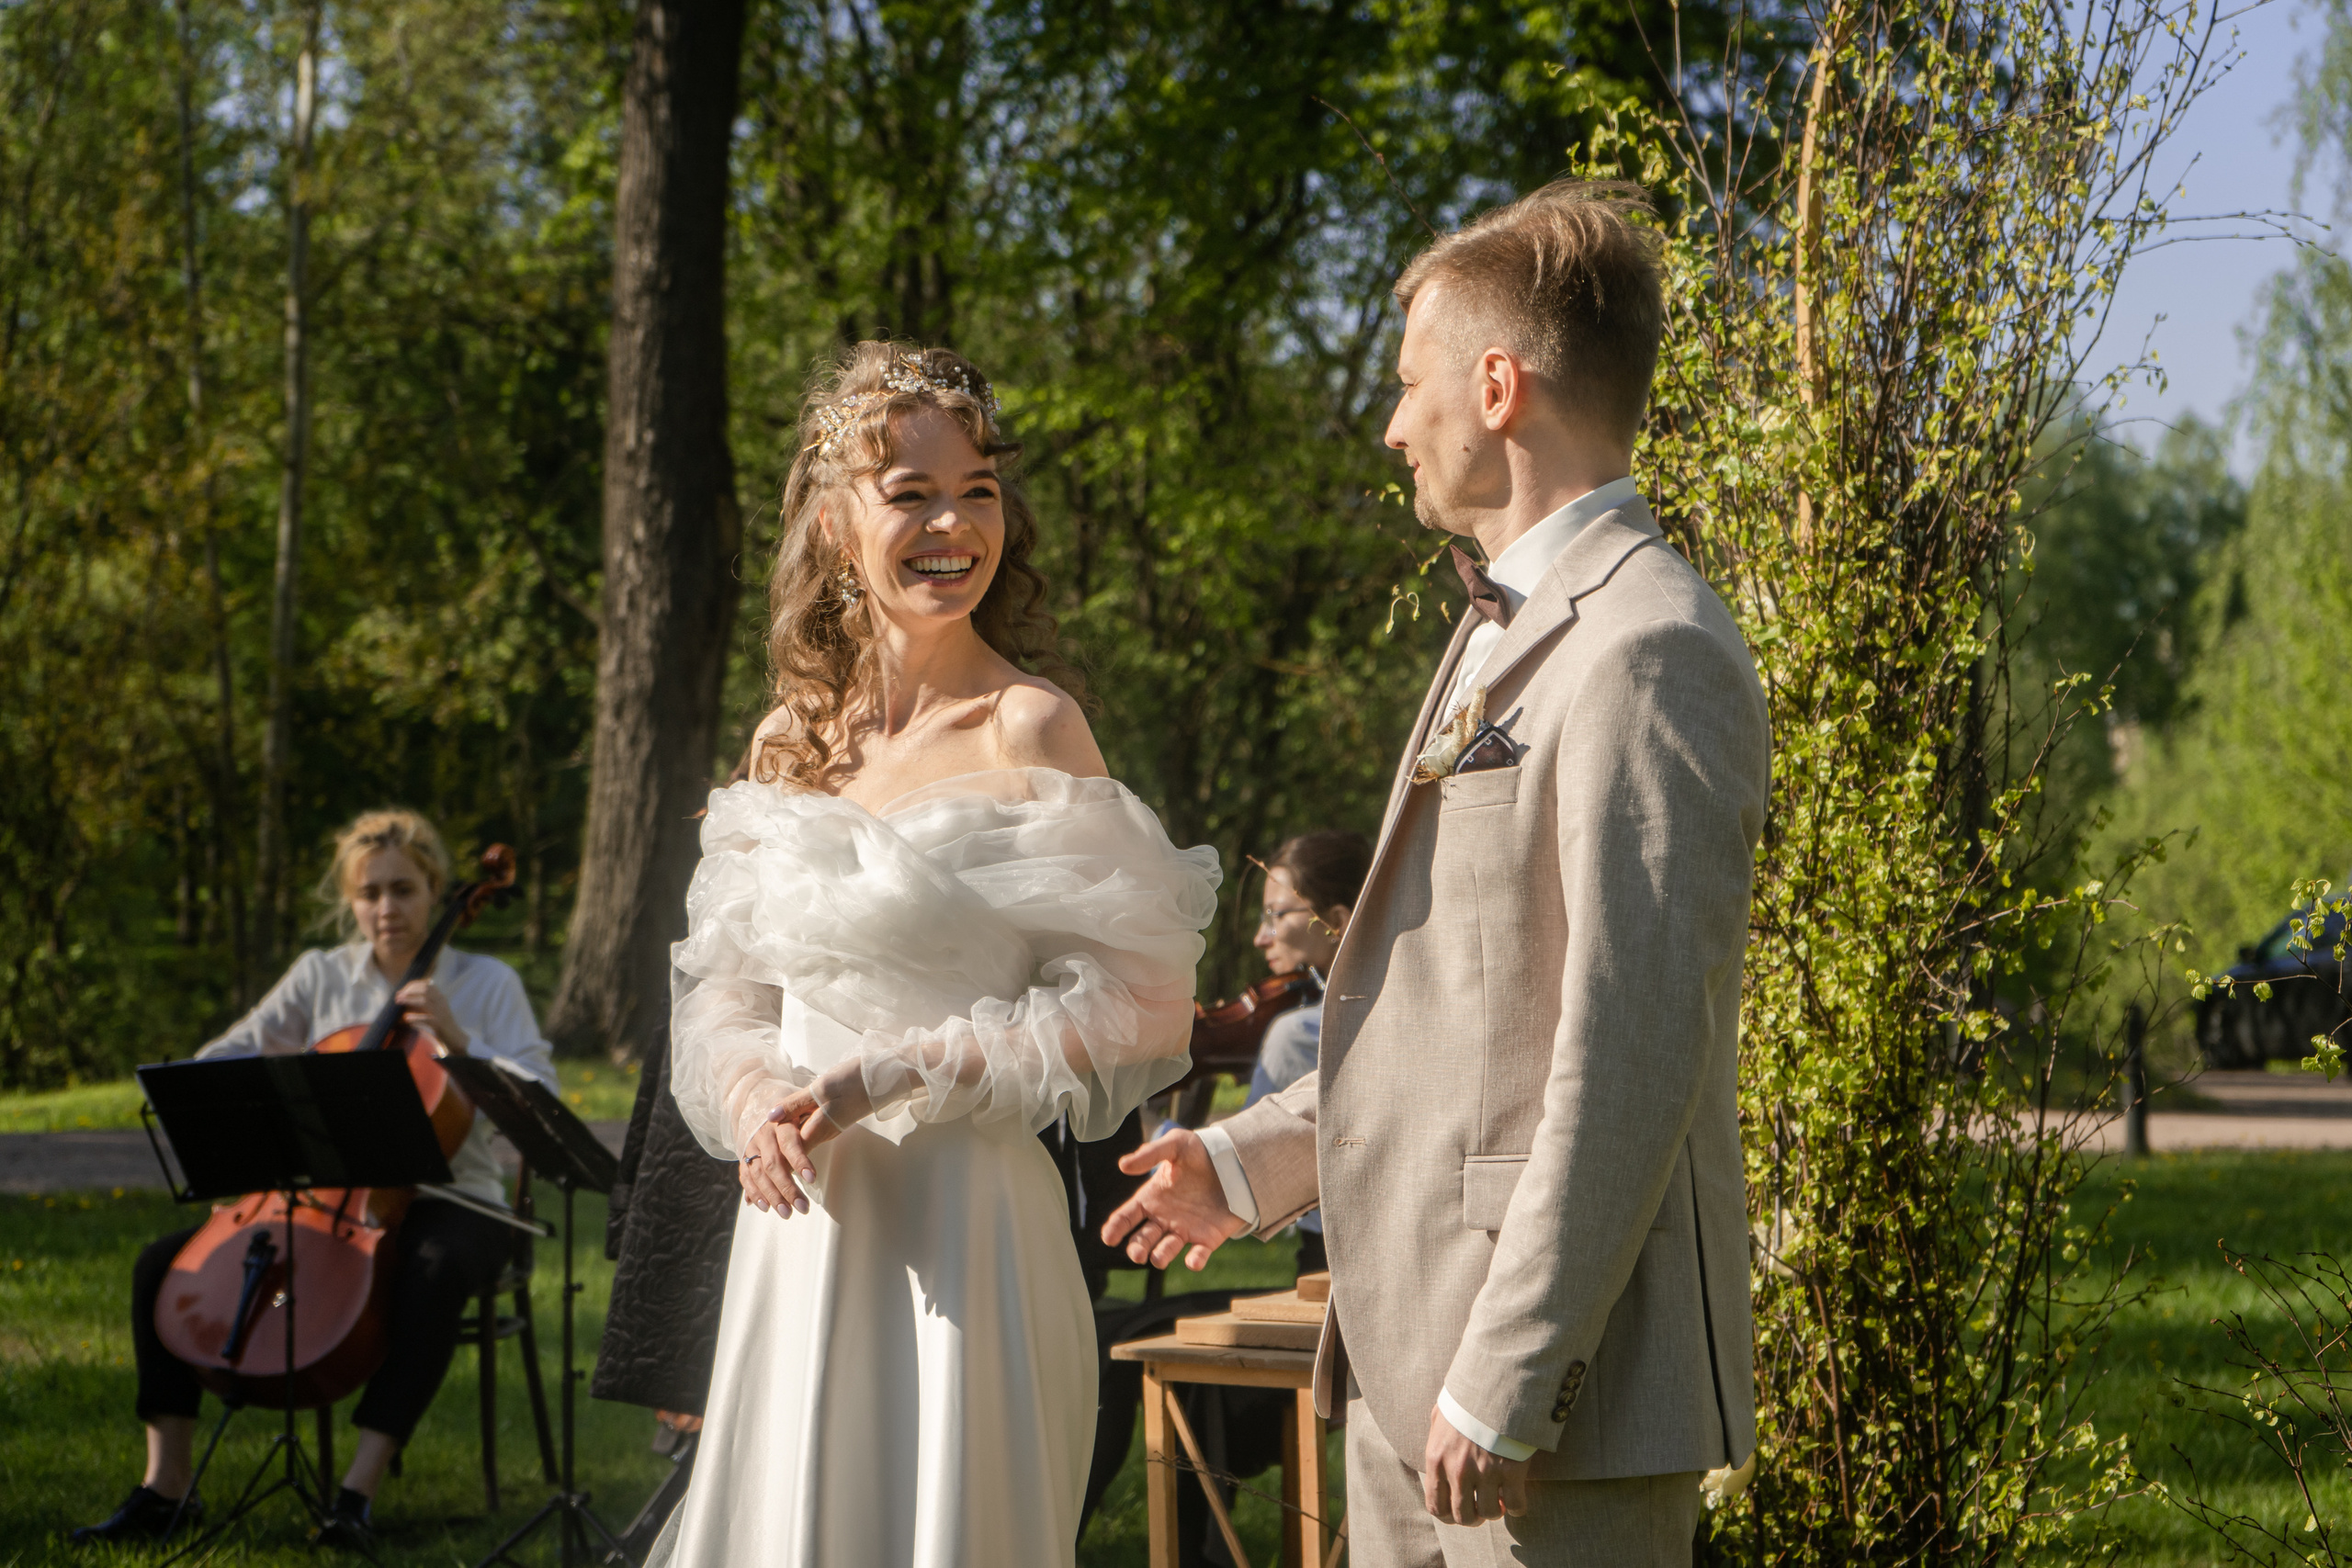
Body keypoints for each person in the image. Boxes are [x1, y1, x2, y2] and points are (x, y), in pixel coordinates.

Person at [1102, 178, 1770, 1565]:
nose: (1393, 424)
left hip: (1552, 1409)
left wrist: (1508, 1373)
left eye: (1410, 385)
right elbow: (1454, 1021)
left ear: (1497, 387)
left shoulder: (1650, 648)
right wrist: (1243, 1160)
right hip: (1409, 1362)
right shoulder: (1491, 626)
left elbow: (1630, 1054)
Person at [649, 342, 1220, 1568]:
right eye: (911, 494)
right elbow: (728, 991)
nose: (954, 526)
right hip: (801, 1228)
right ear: (834, 522)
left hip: (970, 1230)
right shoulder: (790, 740)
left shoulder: (1032, 724)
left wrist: (899, 1072)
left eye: (978, 491)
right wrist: (754, 1103)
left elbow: (1141, 1003)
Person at [74, 809, 559, 1551]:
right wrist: (247, 1085)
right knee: (159, 1264)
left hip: (456, 1200)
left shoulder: (488, 982)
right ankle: (166, 1487)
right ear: (351, 899)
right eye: (370, 893)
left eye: (404, 889)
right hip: (324, 1202)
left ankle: (355, 1495)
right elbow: (225, 1056)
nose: (387, 907)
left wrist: (461, 1040)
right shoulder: (319, 975)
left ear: (437, 889)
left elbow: (542, 1099)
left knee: (432, 1269)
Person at [1245, 829, 1369, 1277]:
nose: (1261, 937)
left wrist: (1155, 1127)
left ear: (1335, 921)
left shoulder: (1298, 1032)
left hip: (1330, 1260)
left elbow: (1248, 1171)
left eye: (1276, 915)